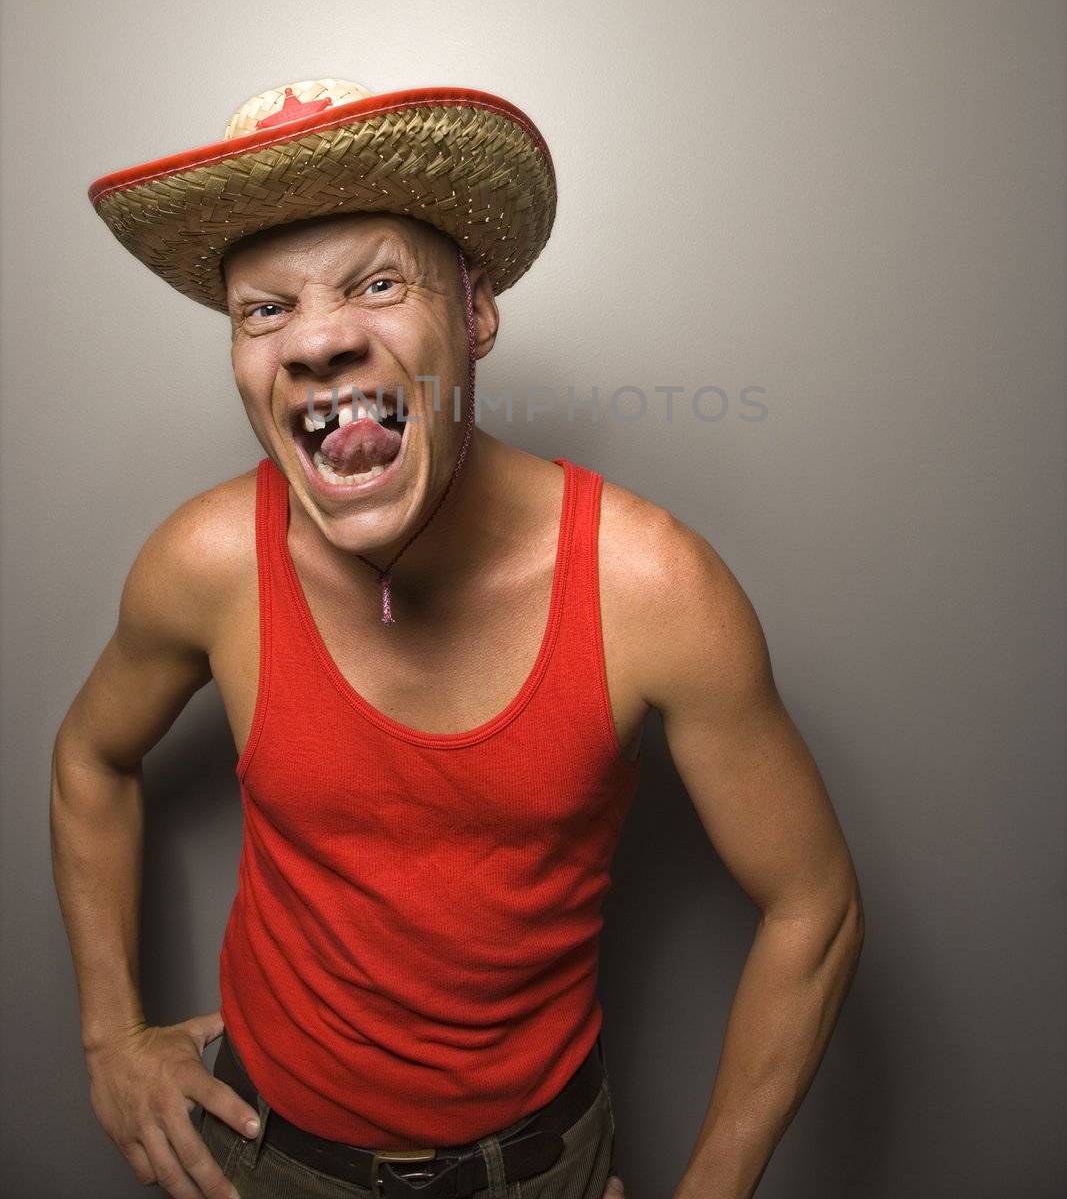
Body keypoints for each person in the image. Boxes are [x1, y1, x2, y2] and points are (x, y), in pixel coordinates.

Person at [51, 77, 864, 1199]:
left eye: (377, 283)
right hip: (264, 1161)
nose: (320, 339)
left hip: (542, 1170)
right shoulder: (209, 563)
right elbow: (90, 759)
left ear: (473, 312)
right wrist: (109, 1040)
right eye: (264, 309)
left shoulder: (647, 586)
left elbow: (811, 904)